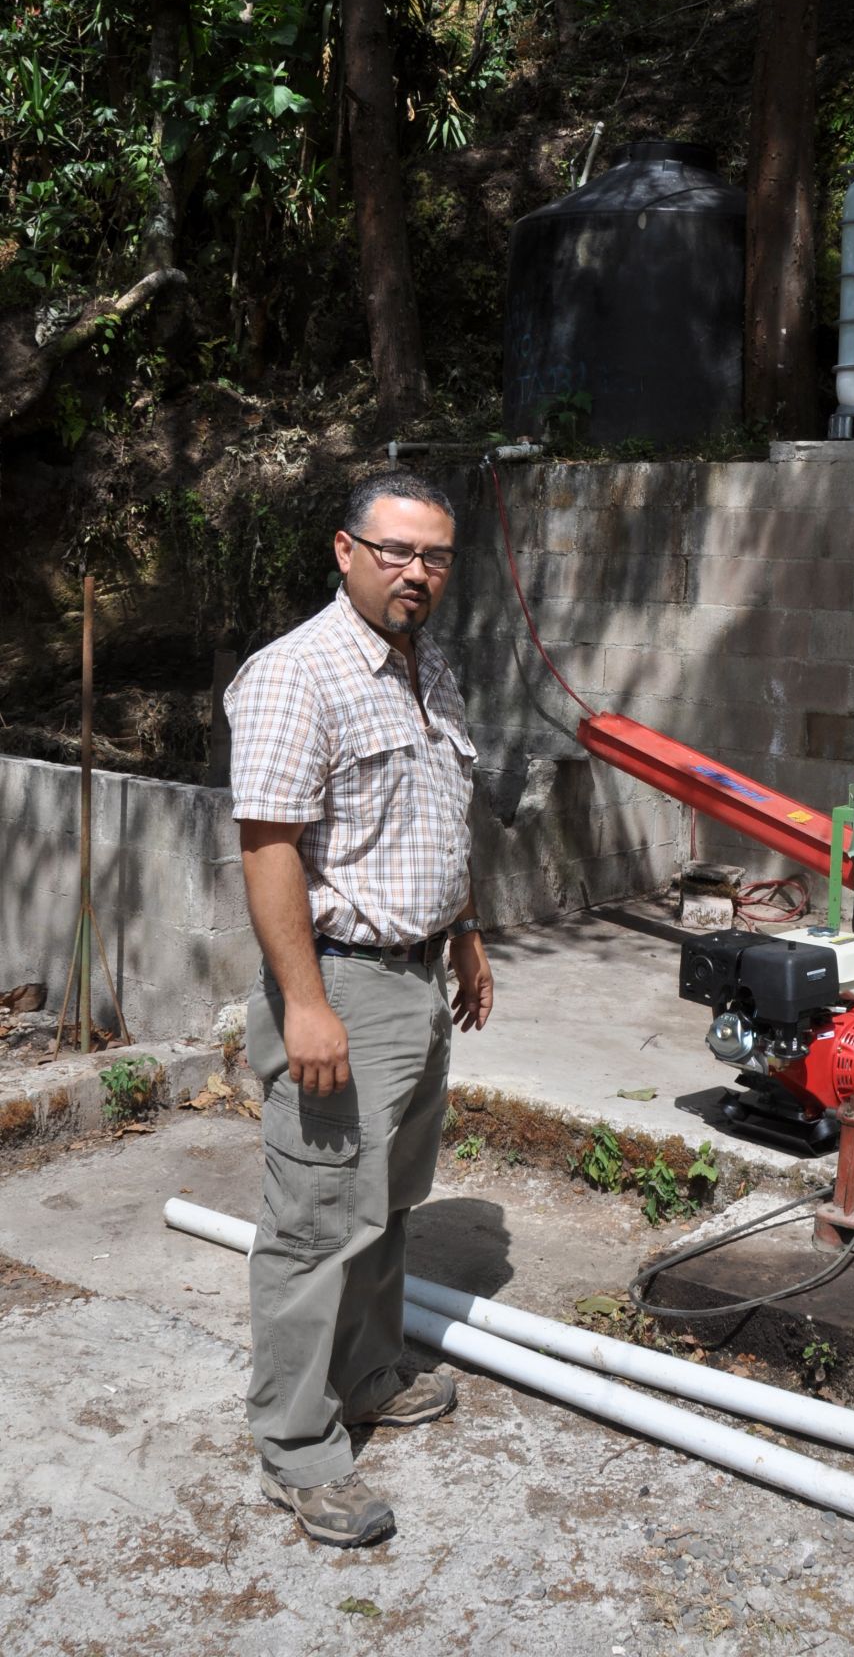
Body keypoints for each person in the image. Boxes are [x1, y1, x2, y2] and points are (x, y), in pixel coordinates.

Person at [224, 468, 494, 1548]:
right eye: (397, 550)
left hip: (418, 979)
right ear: (346, 551)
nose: (417, 572)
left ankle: (370, 1371)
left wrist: (466, 937)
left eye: (435, 556)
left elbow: (441, 819)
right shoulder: (298, 672)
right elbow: (267, 846)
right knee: (317, 1221)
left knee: (387, 1201)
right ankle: (296, 1445)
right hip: (339, 980)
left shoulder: (431, 670)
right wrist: (305, 1001)